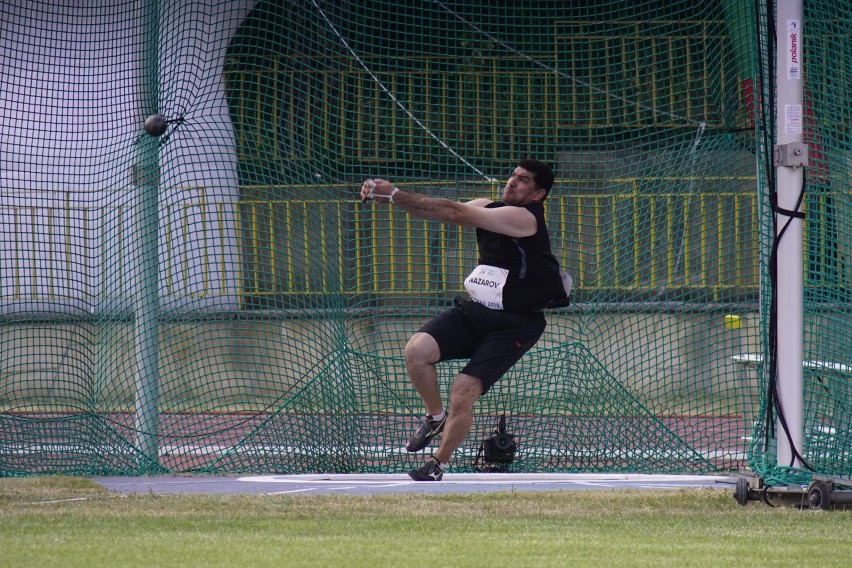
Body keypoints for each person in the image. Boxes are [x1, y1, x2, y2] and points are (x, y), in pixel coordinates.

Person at [360, 159, 571, 481]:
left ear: (538, 194)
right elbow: (437, 210)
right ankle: (435, 417)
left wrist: (395, 194)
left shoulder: (524, 218)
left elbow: (454, 212)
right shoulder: (489, 206)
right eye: (513, 176)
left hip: (516, 323)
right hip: (477, 311)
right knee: (417, 350)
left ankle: (438, 463)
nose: (513, 182)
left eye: (524, 180)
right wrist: (391, 198)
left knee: (463, 389)